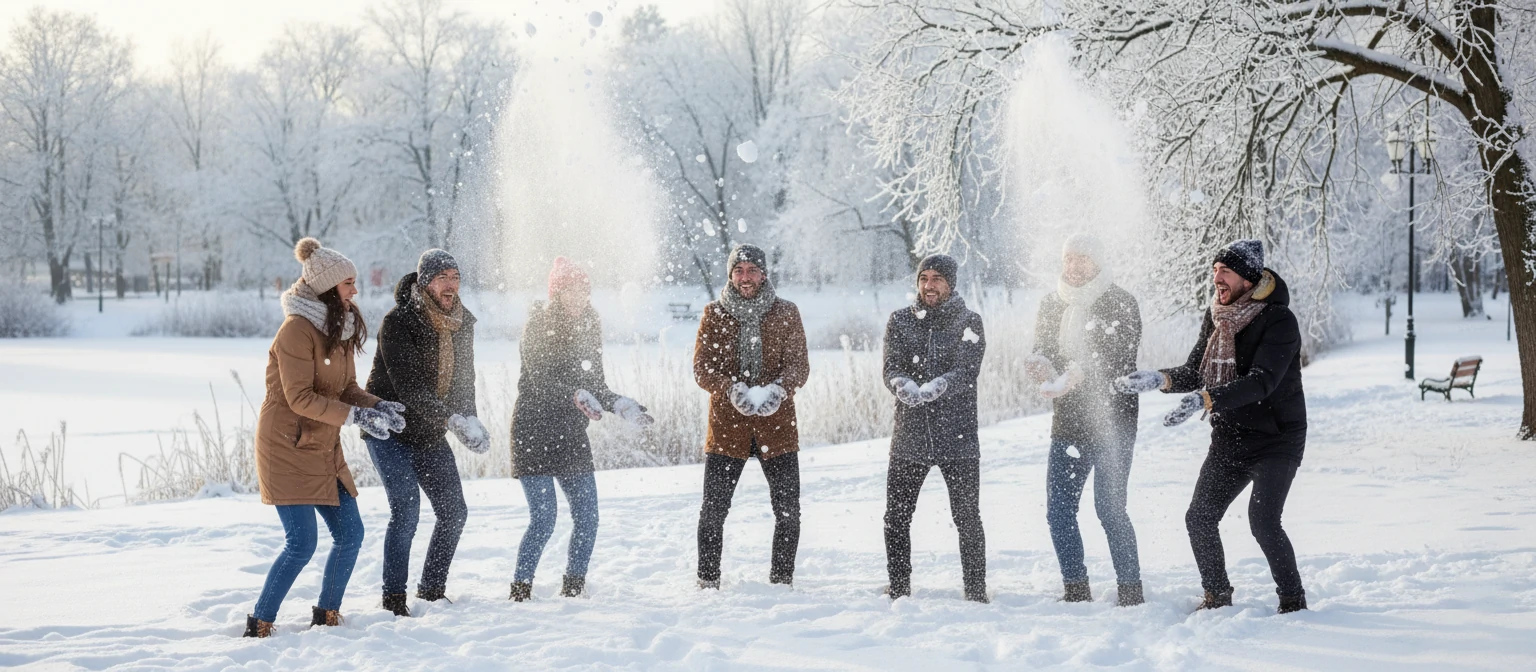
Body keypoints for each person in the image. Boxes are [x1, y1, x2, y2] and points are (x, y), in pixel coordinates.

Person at [1114, 239, 1309, 614]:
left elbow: (1262, 381)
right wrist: (1159, 379)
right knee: (1199, 517)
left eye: (1226, 270)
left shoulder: (1279, 320)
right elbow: (1195, 372)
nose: (1217, 277)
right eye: (1215, 269)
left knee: (1263, 522)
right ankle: (1217, 596)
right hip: (1231, 437)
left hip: (1276, 439)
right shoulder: (1217, 315)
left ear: (1249, 279)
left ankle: (1292, 600)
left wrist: (1205, 400)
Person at [245, 238, 405, 638]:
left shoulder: (339, 325)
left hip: (323, 446)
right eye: (348, 283)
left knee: (351, 534)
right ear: (327, 287)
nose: (355, 290)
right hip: (286, 446)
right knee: (301, 544)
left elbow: (347, 386)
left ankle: (327, 614)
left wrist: (377, 405)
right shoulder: (295, 330)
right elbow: (299, 397)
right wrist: (355, 416)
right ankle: (260, 623)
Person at [509, 257, 653, 601]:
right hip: (533, 432)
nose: (578, 297)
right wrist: (573, 394)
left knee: (588, 517)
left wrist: (619, 403)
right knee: (544, 520)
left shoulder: (590, 324)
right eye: (570, 290)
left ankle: (574, 587)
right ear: (556, 293)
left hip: (570, 435)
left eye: (583, 290)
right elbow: (541, 380)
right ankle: (520, 590)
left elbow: (595, 384)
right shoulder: (537, 324)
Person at [364, 249, 489, 617]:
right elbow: (410, 389)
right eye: (443, 277)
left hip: (430, 430)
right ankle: (393, 599)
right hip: (390, 428)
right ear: (425, 282)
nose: (451, 285)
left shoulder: (463, 322)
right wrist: (452, 419)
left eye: (456, 277)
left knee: (454, 512)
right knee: (406, 510)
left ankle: (432, 590)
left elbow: (465, 381)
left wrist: (470, 420)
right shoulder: (399, 322)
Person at [1025, 234, 1144, 606]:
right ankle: (1075, 588)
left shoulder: (1120, 301)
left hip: (1114, 422)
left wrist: (1080, 374)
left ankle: (1130, 590)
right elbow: (1044, 349)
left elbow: (1120, 359)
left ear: (1098, 261)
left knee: (1109, 509)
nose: (1073, 266)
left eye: (1082, 259)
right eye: (1068, 259)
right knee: (1058, 511)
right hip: (1069, 422)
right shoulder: (1051, 303)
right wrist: (1042, 366)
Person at [692, 244, 810, 589]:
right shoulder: (714, 314)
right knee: (713, 511)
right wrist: (729, 388)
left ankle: (781, 580)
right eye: (739, 270)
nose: (746, 277)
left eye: (752, 270)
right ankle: (708, 580)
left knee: (788, 510)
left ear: (764, 274)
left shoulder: (786, 312)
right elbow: (702, 369)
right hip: (728, 428)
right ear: (730, 275)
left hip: (777, 427)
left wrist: (779, 389)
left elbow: (799, 366)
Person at [880, 254, 989, 603]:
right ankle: (899, 587)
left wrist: (940, 384)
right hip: (909, 435)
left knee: (967, 516)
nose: (929, 285)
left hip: (957, 436)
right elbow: (890, 367)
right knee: (896, 516)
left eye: (937, 279)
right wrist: (900, 383)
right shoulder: (899, 321)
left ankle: (975, 590)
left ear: (951, 283)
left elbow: (966, 370)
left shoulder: (970, 322)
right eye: (924, 278)